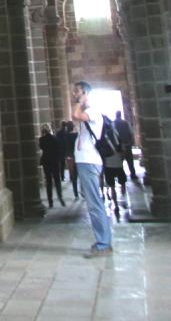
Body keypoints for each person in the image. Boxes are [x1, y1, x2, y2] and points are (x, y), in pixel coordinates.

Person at [72, 81, 112, 258]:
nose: (75, 95)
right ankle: (102, 242)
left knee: (95, 204)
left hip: (89, 162)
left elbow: (75, 114)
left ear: (87, 94)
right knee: (92, 202)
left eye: (78, 92)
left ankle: (103, 244)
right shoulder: (87, 113)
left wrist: (80, 102)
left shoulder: (93, 112)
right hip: (84, 162)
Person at [38, 125, 64, 207]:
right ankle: (60, 197)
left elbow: (41, 147)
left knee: (48, 182)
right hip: (55, 162)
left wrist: (42, 136)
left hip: (46, 162)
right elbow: (59, 149)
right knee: (57, 180)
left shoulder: (42, 139)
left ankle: (50, 201)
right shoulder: (55, 138)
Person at [103, 142, 127, 219]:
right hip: (118, 165)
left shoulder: (104, 141)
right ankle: (124, 197)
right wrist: (121, 159)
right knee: (122, 183)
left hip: (108, 165)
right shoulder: (118, 139)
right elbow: (123, 152)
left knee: (112, 187)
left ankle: (116, 205)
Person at [114, 111, 137, 180]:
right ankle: (133, 174)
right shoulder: (126, 123)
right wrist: (130, 141)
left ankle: (120, 177)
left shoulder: (113, 123)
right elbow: (131, 132)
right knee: (130, 161)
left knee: (119, 162)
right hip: (127, 144)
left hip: (118, 146)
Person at [64, 120, 79, 199]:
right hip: (77, 156)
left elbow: (65, 146)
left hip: (70, 156)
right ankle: (82, 191)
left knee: (73, 176)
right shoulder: (76, 135)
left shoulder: (65, 136)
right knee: (79, 173)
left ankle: (75, 192)